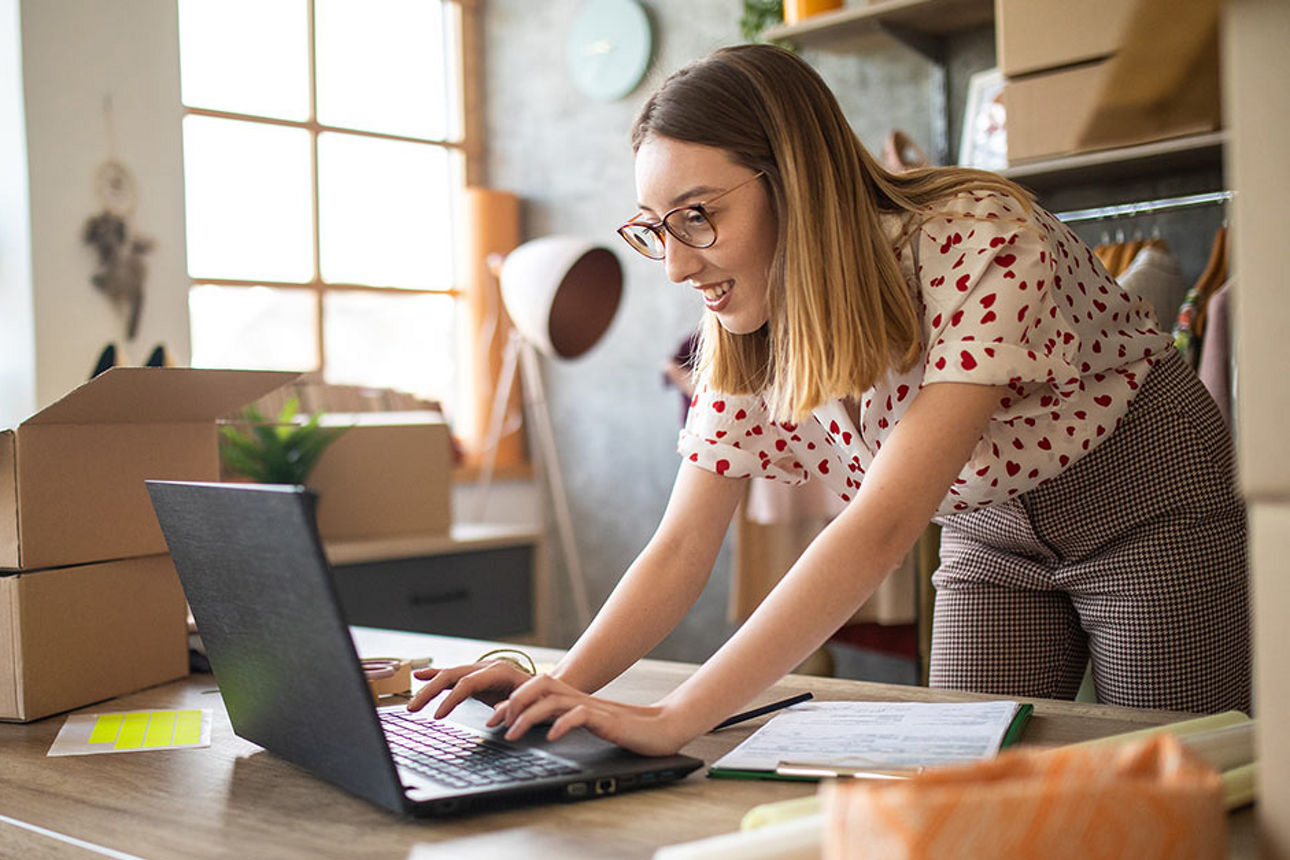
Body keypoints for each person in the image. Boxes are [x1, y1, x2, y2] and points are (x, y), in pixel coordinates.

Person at [408, 44, 1249, 755]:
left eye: (697, 216)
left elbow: (880, 529)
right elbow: (681, 546)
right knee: (958, 783)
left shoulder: (983, 238)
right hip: (990, 535)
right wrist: (553, 687)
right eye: (657, 228)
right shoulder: (743, 328)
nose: (675, 264)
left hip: (1147, 503)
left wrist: (677, 718)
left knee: (1178, 767)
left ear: (797, 183)